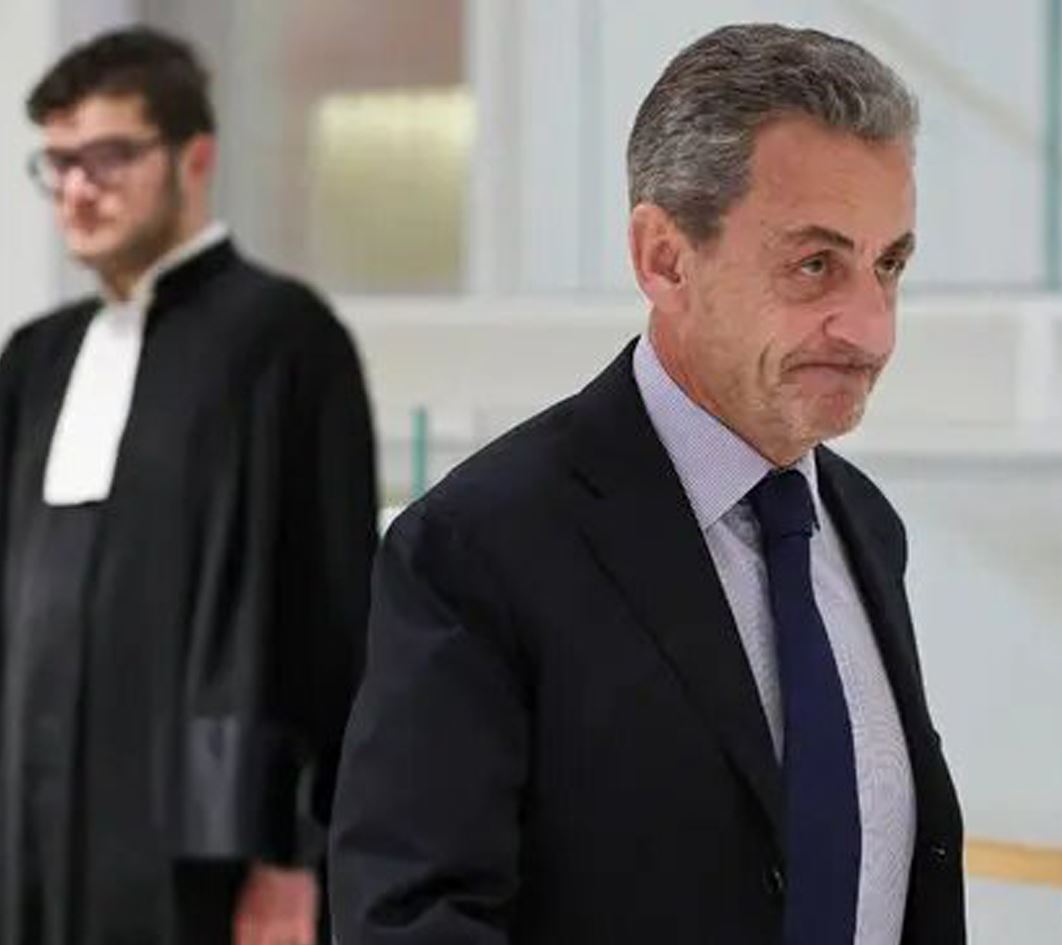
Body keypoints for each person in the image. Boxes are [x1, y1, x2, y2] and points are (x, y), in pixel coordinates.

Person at [330, 22, 965, 945]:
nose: (871, 328)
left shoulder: (864, 525)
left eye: (889, 265)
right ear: (664, 257)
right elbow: (411, 920)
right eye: (814, 264)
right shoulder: (478, 548)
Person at [0, 26, 377, 945]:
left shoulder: (285, 341)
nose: (78, 189)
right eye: (59, 164)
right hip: (33, 840)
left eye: (108, 157)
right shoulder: (36, 360)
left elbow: (332, 616)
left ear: (194, 157)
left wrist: (294, 854)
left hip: (204, 855)